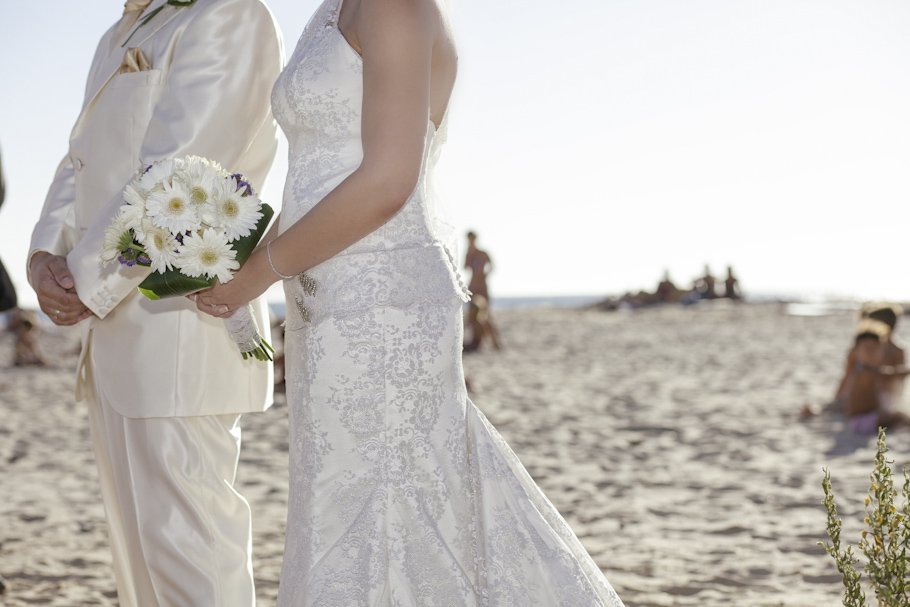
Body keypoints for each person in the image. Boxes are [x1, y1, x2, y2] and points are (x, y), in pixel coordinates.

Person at [195, 0, 624, 604]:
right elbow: (316, 175)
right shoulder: (330, 11)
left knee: (394, 512)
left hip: (383, 311)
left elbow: (388, 180)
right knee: (340, 511)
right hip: (323, 308)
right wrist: (239, 266)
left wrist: (256, 277)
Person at [27, 2, 282, 605]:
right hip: (110, 335)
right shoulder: (121, 31)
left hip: (182, 328)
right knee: (138, 564)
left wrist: (86, 284)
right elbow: (79, 157)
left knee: (192, 560)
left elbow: (183, 170)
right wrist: (45, 254)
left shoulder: (231, 15)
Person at [463, 230, 501, 351]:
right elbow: (465, 267)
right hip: (473, 287)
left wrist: (485, 275)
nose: (471, 241)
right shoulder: (469, 253)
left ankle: (495, 342)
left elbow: (492, 266)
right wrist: (470, 253)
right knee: (473, 315)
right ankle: (477, 341)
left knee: (486, 315)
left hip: (482, 287)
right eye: (469, 240)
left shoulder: (483, 253)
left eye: (472, 239)